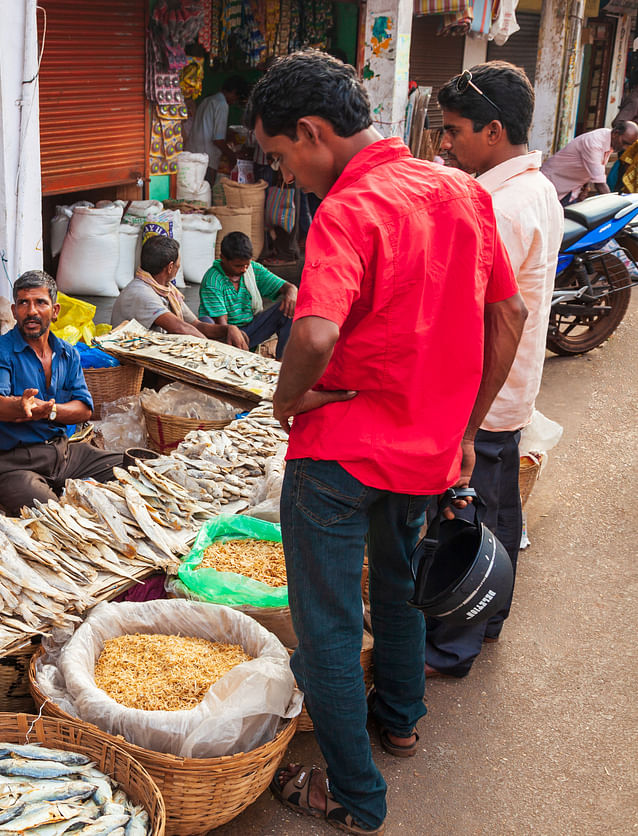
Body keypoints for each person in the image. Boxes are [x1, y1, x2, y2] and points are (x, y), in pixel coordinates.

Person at [246, 51, 526, 835]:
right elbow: (508, 317)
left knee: (329, 624)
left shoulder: (348, 206)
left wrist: (287, 397)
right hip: (424, 452)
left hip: (337, 458)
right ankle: (400, 722)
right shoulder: (464, 192)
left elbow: (316, 327)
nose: (287, 175)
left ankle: (354, 796)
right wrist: (466, 429)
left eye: (280, 156)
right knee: (397, 589)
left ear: (310, 131)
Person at [425, 62, 562, 678]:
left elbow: (488, 314)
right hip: (510, 389)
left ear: (494, 130)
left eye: (454, 130)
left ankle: (454, 646)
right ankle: (494, 614)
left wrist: (464, 424)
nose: (446, 143)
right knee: (501, 509)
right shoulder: (537, 188)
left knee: (466, 517)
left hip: (486, 389)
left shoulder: (499, 204)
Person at [0, 270, 123, 513]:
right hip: (15, 464)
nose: (31, 311)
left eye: (40, 303)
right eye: (23, 303)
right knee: (55, 517)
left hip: (63, 454)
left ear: (54, 311)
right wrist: (19, 406)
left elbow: (84, 409)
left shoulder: (68, 353)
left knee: (134, 466)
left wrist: (50, 411)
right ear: (15, 312)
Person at [198, 231, 297, 359]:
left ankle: (281, 363)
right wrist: (233, 331)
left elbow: (286, 287)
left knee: (289, 308)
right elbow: (223, 326)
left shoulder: (252, 270)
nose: (244, 269)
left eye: (246, 264)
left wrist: (292, 291)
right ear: (223, 258)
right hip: (224, 335)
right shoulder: (213, 281)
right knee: (206, 321)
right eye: (238, 266)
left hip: (249, 329)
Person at [111, 234, 229, 340]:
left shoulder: (167, 290)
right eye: (178, 264)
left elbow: (195, 324)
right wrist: (213, 348)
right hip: (134, 355)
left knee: (210, 325)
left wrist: (228, 330)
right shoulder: (140, 293)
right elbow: (180, 328)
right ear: (170, 267)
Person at [540, 118, 638, 202]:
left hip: (569, 189)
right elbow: (600, 183)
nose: (625, 148)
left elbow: (591, 167)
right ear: (616, 133)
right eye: (624, 143)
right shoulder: (594, 143)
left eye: (629, 145)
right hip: (551, 184)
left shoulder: (607, 137)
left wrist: (585, 187)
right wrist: (615, 205)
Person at [186, 75, 251, 180]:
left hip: (192, 154)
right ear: (233, 92)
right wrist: (232, 156)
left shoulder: (208, 100)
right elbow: (218, 140)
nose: (234, 102)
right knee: (205, 191)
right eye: (236, 97)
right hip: (206, 159)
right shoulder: (222, 104)